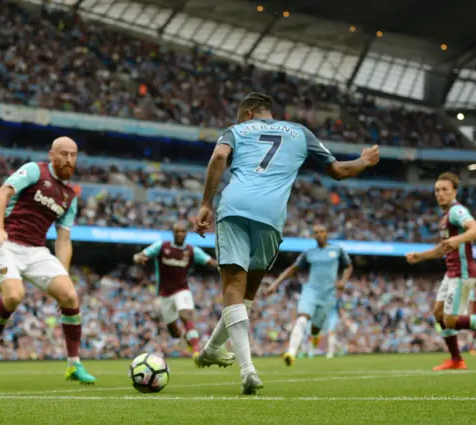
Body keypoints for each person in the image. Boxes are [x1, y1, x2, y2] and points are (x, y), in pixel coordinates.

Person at [193, 92, 380, 395]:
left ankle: (247, 370)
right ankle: (213, 348)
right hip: (271, 216)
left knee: (232, 287)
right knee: (247, 293)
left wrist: (205, 203)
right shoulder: (300, 133)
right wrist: (365, 160)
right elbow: (339, 171)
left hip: (235, 207)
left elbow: (217, 157)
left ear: (249, 115)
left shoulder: (236, 130)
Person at [0, 137, 96, 385]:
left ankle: (74, 365)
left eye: (73, 155)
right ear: (52, 154)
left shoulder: (69, 197)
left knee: (70, 297)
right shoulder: (34, 170)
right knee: (13, 296)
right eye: (64, 154)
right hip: (6, 242)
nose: (69, 159)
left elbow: (63, 240)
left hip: (36, 251)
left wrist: (63, 274)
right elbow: (2, 194)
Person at [406, 172, 476, 371]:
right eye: (437, 190)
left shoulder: (457, 211)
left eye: (444, 190)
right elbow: (443, 248)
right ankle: (456, 359)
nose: (440, 194)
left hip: (463, 273)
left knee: (450, 320)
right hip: (451, 272)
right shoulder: (445, 217)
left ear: (454, 192)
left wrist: (458, 239)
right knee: (439, 314)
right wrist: (419, 256)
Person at [133, 221, 233, 362]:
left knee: (185, 315)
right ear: (173, 233)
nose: (180, 234)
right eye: (177, 232)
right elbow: (139, 255)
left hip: (182, 289)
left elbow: (210, 261)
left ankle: (197, 350)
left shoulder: (192, 250)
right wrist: (139, 258)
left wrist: (225, 267)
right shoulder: (162, 246)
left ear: (186, 233)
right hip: (164, 293)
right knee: (174, 332)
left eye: (182, 232)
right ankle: (190, 342)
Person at [265, 224, 352, 365]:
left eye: (322, 231)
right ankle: (291, 353)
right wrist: (276, 283)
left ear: (326, 233)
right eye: (316, 232)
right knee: (302, 319)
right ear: (313, 236)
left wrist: (343, 281)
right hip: (311, 291)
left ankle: (315, 335)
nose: (319, 234)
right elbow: (293, 268)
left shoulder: (337, 250)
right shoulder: (309, 253)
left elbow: (348, 266)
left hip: (328, 294)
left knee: (316, 328)